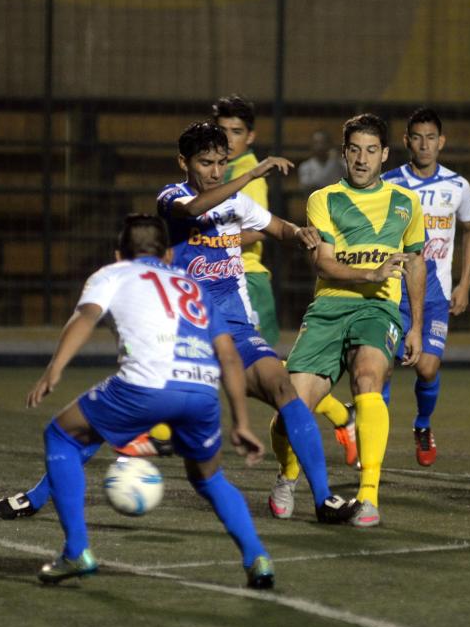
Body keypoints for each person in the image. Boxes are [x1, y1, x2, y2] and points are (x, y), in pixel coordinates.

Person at [25, 214, 275, 588]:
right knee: (209, 477)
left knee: (61, 435)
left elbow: (84, 317)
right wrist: (241, 421)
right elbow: (227, 355)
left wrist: (54, 369)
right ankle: (257, 558)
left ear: (118, 254)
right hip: (202, 392)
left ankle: (76, 551)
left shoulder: (112, 274)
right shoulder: (194, 286)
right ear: (169, 256)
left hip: (145, 386)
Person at [157, 121, 352, 524]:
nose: (215, 171)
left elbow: (277, 227)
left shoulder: (238, 202)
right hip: (188, 335)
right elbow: (195, 210)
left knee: (284, 388)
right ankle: (38, 493)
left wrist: (302, 233)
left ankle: (324, 499)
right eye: (206, 162)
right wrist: (249, 174)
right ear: (183, 162)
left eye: (221, 163)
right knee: (125, 412)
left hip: (236, 329)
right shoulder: (171, 198)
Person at [270, 113, 426, 528]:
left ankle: (369, 495)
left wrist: (416, 327)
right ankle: (287, 477)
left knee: (368, 378)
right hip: (328, 308)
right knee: (290, 408)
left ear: (385, 155)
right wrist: (370, 273)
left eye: (371, 150)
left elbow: (415, 264)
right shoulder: (323, 199)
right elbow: (323, 263)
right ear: (343, 154)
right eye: (354, 150)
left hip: (378, 308)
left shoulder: (406, 202)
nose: (362, 159)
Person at [377, 107, 470, 466]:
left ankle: (422, 424)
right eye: (417, 137)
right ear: (407, 141)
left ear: (442, 141)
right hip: (393, 289)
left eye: (431, 137)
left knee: (428, 368)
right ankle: (375, 436)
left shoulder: (457, 186)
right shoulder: (388, 183)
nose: (424, 144)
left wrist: (465, 282)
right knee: (383, 366)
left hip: (435, 291)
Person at [212, 95, 280, 347]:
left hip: (247, 277)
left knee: (259, 368)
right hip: (221, 277)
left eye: (236, 132)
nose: (228, 139)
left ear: (250, 136)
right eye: (222, 130)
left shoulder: (248, 172)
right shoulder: (219, 170)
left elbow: (259, 229)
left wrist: (210, 244)